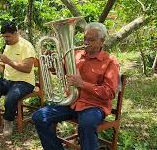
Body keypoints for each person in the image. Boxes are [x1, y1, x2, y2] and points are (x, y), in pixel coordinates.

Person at [32, 22, 120, 150]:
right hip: (72, 102)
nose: (86, 42)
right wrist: (51, 63)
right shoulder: (75, 54)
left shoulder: (110, 62)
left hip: (94, 106)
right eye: (85, 38)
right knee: (39, 116)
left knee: (86, 125)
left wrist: (82, 84)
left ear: (102, 41)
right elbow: (60, 71)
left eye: (91, 40)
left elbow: (109, 93)